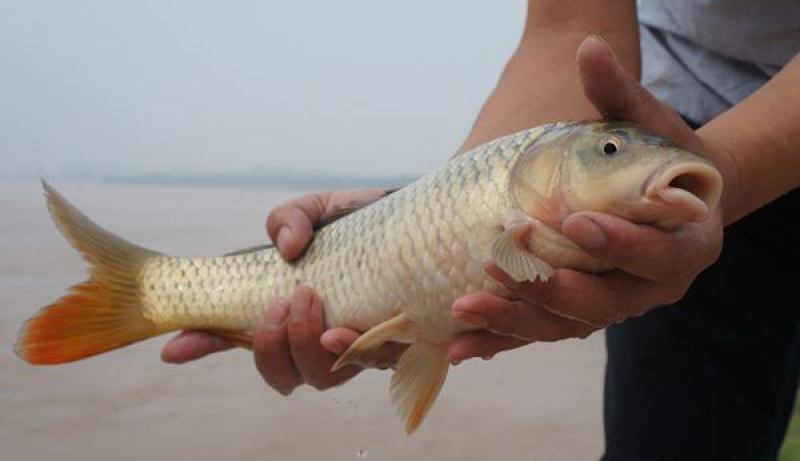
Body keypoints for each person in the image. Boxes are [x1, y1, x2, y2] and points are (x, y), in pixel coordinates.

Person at [161, 1, 800, 459]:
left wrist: (733, 168)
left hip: (679, 156)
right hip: (674, 131)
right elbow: (571, 25)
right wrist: (416, 216)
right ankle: (157, 294)